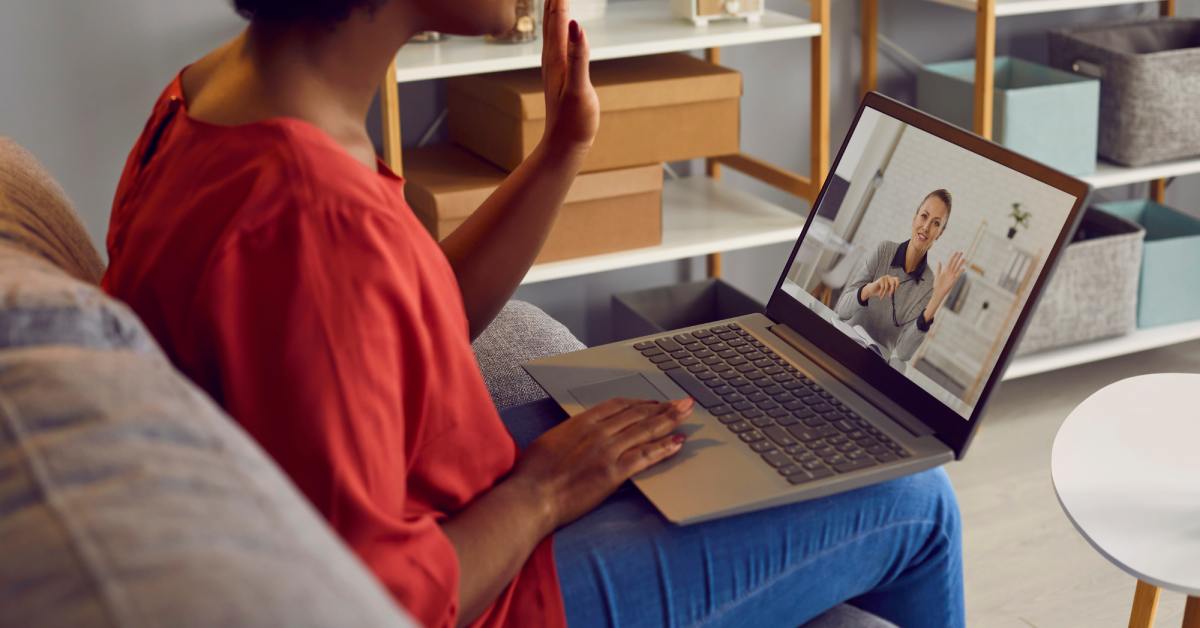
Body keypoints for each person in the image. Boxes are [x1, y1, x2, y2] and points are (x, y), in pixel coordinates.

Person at [102, 1, 965, 626]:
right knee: (917, 499)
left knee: (744, 422)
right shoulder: (312, 216)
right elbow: (373, 603)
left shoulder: (213, 96)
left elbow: (408, 318)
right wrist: (543, 490)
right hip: (489, 592)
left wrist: (563, 148)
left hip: (424, 499)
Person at [836, 189, 968, 363]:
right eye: (924, 216)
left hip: (874, 366)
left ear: (940, 233)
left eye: (936, 223)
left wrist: (936, 300)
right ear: (915, 217)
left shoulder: (928, 284)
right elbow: (842, 310)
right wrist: (869, 290)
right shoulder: (884, 250)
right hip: (841, 345)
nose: (926, 227)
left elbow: (904, 353)